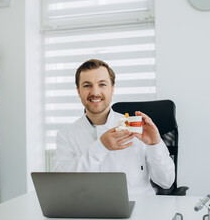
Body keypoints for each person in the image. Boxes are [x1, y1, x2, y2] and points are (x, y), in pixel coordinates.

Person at [53, 59, 175, 195]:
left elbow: (166, 181)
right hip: (90, 211)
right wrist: (101, 146)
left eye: (102, 84)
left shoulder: (136, 126)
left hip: (139, 209)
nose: (95, 92)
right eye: (87, 85)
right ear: (78, 91)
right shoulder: (66, 135)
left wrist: (155, 145)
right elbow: (62, 183)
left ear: (112, 89)